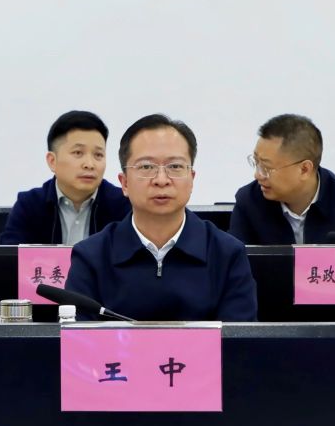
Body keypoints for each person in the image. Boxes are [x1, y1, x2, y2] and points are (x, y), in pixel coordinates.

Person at [66, 114, 257, 322]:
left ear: (191, 179)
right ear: (124, 183)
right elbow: (78, 339)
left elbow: (237, 339)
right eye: (146, 167)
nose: (161, 180)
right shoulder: (91, 256)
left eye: (175, 167)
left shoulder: (227, 254)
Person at [227, 113, 335, 244]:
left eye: (266, 168)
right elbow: (234, 267)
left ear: (305, 169)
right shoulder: (249, 201)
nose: (258, 175)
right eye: (256, 163)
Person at [0, 110, 131, 245]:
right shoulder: (30, 205)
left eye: (98, 155)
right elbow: (10, 253)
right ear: (52, 161)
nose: (89, 164)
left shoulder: (123, 205)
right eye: (78, 153)